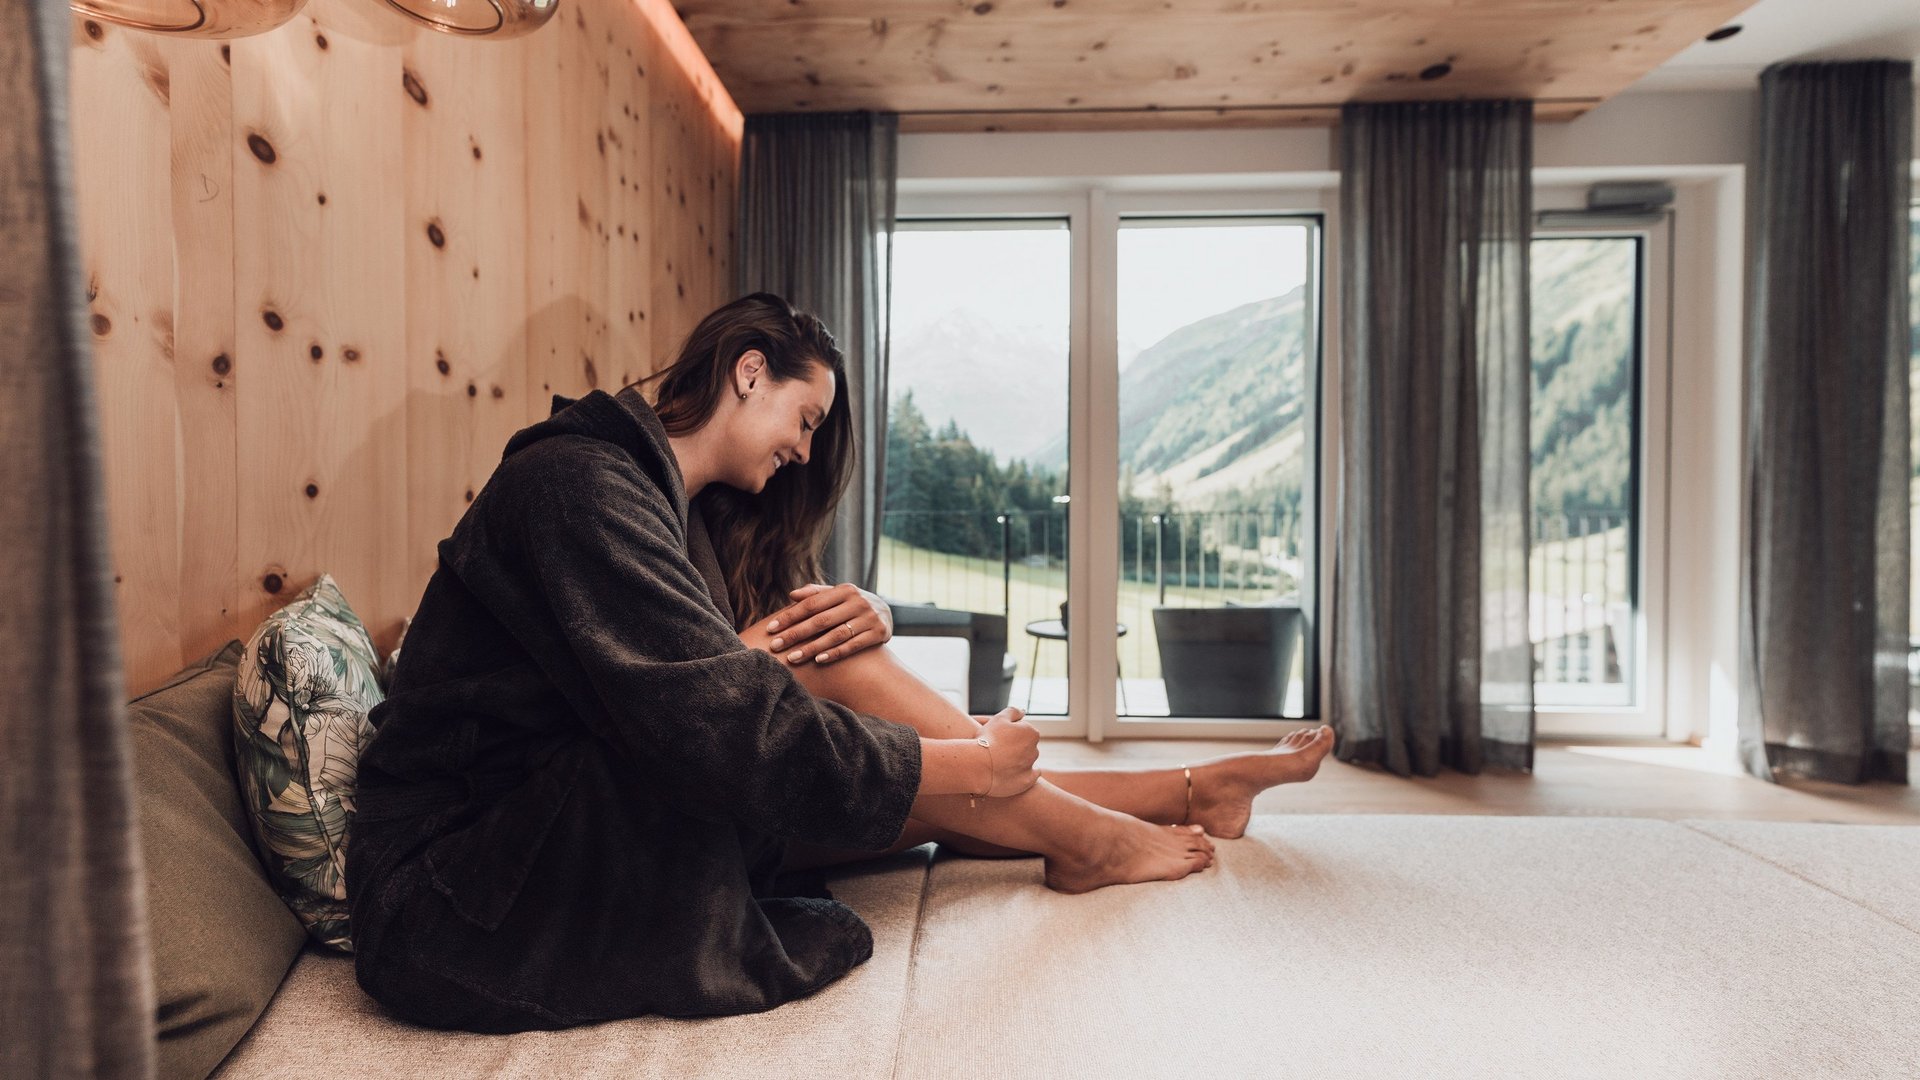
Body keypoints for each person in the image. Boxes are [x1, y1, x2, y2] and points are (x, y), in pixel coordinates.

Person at [346, 292, 1331, 1034]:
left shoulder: (661, 506)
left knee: (830, 689)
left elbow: (703, 668)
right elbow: (721, 717)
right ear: (747, 373)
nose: (807, 456)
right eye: (805, 421)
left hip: (550, 824)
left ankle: (1167, 797)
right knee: (842, 719)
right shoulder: (577, 486)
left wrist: (871, 611)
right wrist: (965, 763)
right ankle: (1102, 830)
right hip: (456, 895)